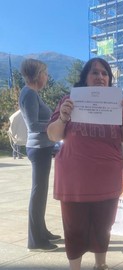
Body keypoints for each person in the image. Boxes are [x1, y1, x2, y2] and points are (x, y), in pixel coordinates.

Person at [47, 57, 123, 270]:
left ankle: (100, 266)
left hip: (107, 176)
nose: (100, 77)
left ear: (109, 80)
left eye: (105, 73)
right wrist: (64, 117)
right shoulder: (70, 100)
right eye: (95, 73)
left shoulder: (118, 104)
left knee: (103, 226)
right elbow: (52, 134)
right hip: (75, 176)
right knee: (74, 227)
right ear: (85, 78)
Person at [19, 58, 61, 252]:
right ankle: (36, 241)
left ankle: (42, 231)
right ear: (37, 75)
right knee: (38, 193)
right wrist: (56, 127)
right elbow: (33, 125)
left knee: (41, 192)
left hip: (44, 147)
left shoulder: (33, 93)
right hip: (38, 148)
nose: (47, 76)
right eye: (44, 72)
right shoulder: (29, 94)